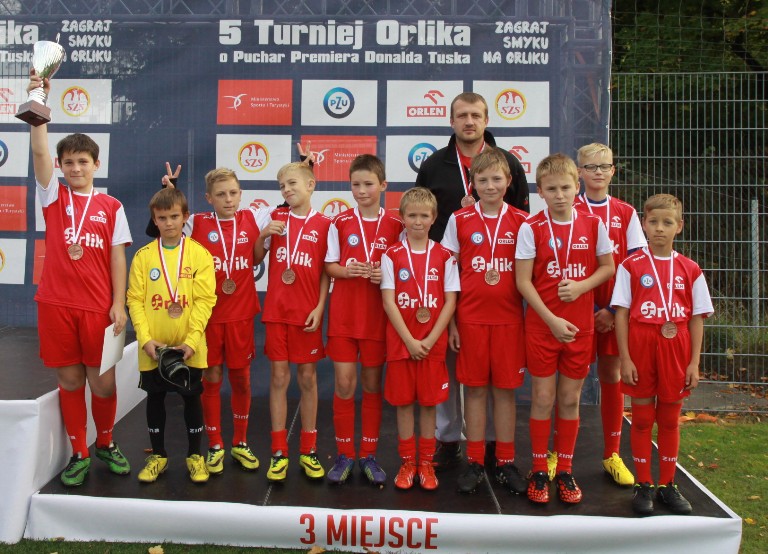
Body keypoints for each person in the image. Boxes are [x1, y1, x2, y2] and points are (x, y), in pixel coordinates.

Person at [27, 70, 132, 486]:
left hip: (97, 309)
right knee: (70, 381)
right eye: (68, 162)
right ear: (60, 166)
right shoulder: (53, 195)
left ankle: (105, 441)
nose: (75, 167)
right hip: (55, 304)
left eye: (82, 161)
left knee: (102, 383)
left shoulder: (111, 206)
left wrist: (119, 303)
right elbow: (39, 151)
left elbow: (118, 257)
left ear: (95, 164)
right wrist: (39, 102)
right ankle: (79, 452)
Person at [415, 92, 529, 469]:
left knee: (493, 382)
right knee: (451, 368)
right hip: (448, 281)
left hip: (499, 292)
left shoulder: (508, 162)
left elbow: (522, 222)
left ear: (486, 120)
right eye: (462, 115)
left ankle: (494, 446)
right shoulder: (434, 165)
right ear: (451, 121)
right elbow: (421, 217)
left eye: (475, 115)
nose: (469, 122)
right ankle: (448, 439)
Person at [515, 153, 614, 504]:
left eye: (565, 188)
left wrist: (582, 287)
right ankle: (539, 469)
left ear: (577, 187)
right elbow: (523, 282)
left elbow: (608, 267)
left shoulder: (593, 224)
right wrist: (551, 320)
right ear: (540, 191)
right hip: (543, 327)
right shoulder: (531, 227)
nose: (559, 195)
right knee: (543, 398)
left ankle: (566, 470)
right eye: (552, 189)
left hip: (580, 328)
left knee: (570, 399)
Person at [151, 165, 262, 475]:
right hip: (207, 318)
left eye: (233, 193)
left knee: (241, 379)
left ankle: (240, 442)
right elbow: (165, 220)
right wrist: (171, 190)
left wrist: (307, 169)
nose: (229, 199)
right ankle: (215, 444)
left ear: (241, 194)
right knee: (211, 378)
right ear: (209, 198)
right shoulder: (196, 222)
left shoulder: (253, 218)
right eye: (221, 194)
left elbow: (292, 202)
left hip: (241, 316)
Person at [611, 193, 713, 515]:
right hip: (641, 344)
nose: (659, 228)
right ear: (643, 224)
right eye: (653, 222)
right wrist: (625, 358)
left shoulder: (690, 269)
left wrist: (694, 362)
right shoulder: (630, 266)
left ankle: (668, 484)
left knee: (669, 420)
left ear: (679, 226)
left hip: (676, 346)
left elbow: (696, 318)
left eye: (667, 222)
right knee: (642, 419)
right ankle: (644, 484)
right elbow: (621, 314)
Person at [440, 148, 529, 494]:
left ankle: (504, 461)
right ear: (472, 184)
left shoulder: (522, 222)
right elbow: (449, 274)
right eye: (482, 180)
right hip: (470, 320)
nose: (490, 186)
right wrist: (451, 323)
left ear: (508, 182)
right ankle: (475, 461)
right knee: (474, 391)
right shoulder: (459, 219)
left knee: (505, 392)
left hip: (509, 321)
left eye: (496, 179)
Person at [126, 187, 217, 483]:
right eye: (162, 218)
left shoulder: (200, 254)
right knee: (155, 398)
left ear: (185, 217)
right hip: (153, 348)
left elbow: (205, 300)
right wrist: (144, 339)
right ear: (154, 219)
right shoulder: (143, 257)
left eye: (174, 216)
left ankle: (195, 456)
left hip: (190, 346)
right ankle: (159, 456)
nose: (169, 223)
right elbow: (134, 300)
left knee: (191, 399)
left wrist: (192, 340)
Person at [324, 154, 404, 485]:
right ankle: (344, 454)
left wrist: (385, 276)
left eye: (368, 184)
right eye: (355, 184)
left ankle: (368, 454)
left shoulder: (397, 224)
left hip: (377, 319)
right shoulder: (339, 222)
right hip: (344, 317)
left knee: (372, 385)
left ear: (383, 185)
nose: (361, 191)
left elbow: (405, 268)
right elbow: (329, 265)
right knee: (344, 384)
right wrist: (346, 271)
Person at [574, 143, 647, 487]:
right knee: (569, 383)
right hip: (577, 311)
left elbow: (636, 264)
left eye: (604, 166)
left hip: (614, 312)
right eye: (591, 166)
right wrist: (590, 309)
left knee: (611, 375)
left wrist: (612, 310)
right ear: (579, 172)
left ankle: (612, 454)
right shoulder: (569, 208)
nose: (598, 172)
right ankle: (559, 455)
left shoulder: (625, 212)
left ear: (613, 171)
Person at [254, 161, 331, 482]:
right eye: (282, 186)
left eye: (292, 183)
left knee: (308, 379)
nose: (286, 189)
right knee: (278, 378)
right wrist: (262, 235)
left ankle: (309, 450)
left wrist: (320, 307)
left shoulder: (325, 224)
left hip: (307, 314)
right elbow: (255, 258)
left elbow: (327, 271)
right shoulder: (275, 218)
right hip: (277, 312)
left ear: (311, 185)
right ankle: (278, 451)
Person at [380, 188, 459, 491]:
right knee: (403, 404)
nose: (417, 221)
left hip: (432, 345)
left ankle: (425, 461)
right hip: (402, 343)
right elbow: (389, 302)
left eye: (423, 216)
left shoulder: (444, 256)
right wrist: (410, 341)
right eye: (411, 215)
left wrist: (430, 339)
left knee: (428, 405)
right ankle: (407, 463)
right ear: (401, 217)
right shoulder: (391, 255)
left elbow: (450, 302)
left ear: (433, 218)